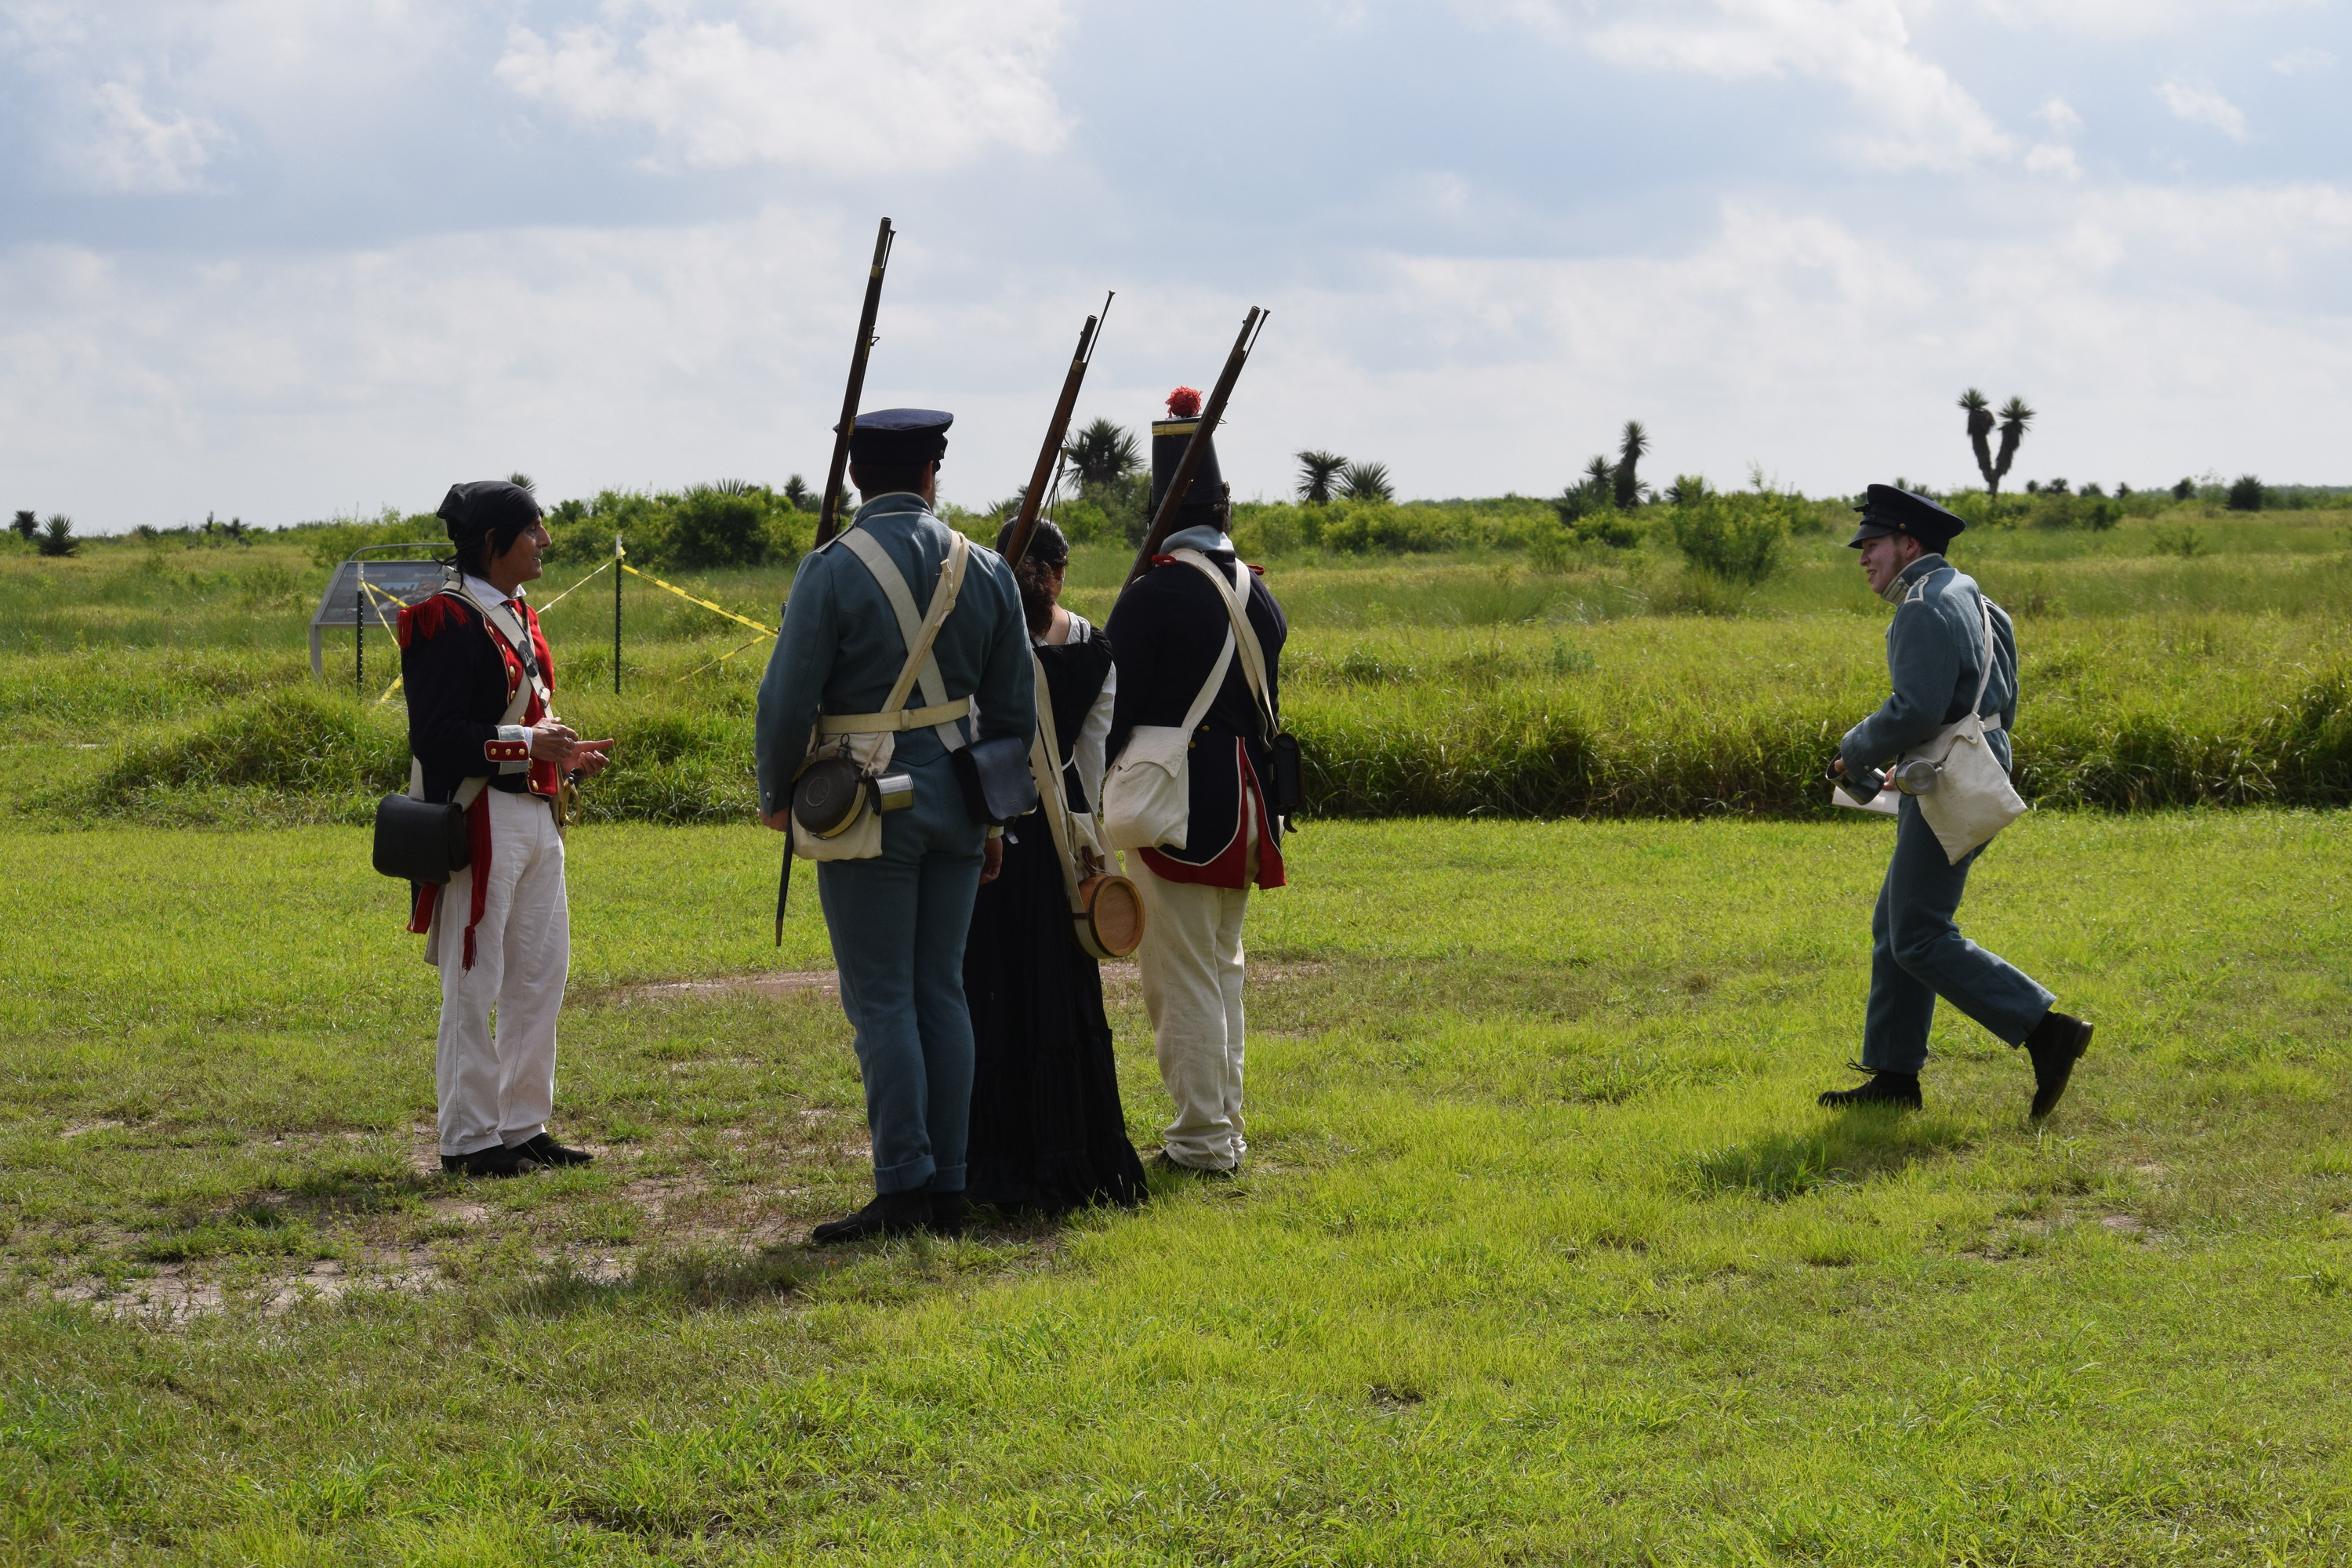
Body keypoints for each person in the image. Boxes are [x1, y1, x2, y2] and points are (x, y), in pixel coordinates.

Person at [754, 409, 1034, 1243]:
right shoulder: (985, 567)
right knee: (939, 990)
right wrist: (993, 817)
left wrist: (777, 791)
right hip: (956, 799)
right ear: (929, 474)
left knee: (882, 999)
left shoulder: (831, 569)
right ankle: (947, 1182)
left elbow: (786, 698)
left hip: (863, 802)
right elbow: (1013, 708)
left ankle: (905, 1183)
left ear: (855, 481)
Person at [1821, 484, 2092, 1117]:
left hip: (1947, 774)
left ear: (1908, 544)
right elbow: (1998, 693)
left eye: (1873, 543)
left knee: (1916, 933)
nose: (1863, 556)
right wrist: (1947, 753)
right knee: (1897, 925)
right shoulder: (1971, 592)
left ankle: (2047, 1031)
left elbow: (1914, 706)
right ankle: (1894, 1076)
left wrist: (1854, 751)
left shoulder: (1920, 607)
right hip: (1963, 764)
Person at [397, 479, 614, 1178]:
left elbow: (517, 718)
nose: (545, 541)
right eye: (531, 530)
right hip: (479, 814)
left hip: (535, 813)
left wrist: (563, 757)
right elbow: (437, 737)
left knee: (540, 976)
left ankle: (522, 1126)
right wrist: (525, 745)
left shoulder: (516, 612)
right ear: (492, 542)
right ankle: (467, 1138)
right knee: (475, 980)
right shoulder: (444, 618)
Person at [1105, 390, 1289, 1177]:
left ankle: (1203, 1139)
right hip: (1246, 802)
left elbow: (1113, 713)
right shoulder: (1260, 593)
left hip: (1177, 806)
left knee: (1182, 980)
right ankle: (1222, 1126)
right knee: (1221, 971)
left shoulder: (1152, 597)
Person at [960, 518, 1149, 1213]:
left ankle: (998, 1155)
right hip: (1064, 840)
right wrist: (1085, 837)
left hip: (1001, 835)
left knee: (994, 989)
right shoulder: (1096, 649)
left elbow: (976, 739)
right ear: (1060, 573)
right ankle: (1076, 1148)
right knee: (1063, 997)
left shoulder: (982, 645)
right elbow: (1091, 763)